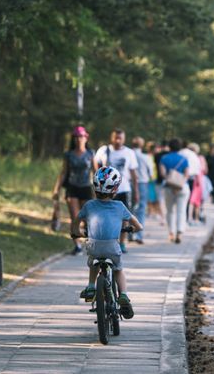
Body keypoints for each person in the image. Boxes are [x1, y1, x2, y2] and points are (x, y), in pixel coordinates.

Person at [72, 166, 143, 319]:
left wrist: (76, 232)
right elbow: (138, 226)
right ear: (115, 189)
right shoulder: (120, 206)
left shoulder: (89, 205)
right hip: (112, 246)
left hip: (94, 246)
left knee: (93, 263)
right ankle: (123, 295)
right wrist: (131, 230)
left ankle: (91, 287)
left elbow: (76, 220)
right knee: (118, 270)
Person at [52, 126, 98, 255]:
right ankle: (77, 245)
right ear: (73, 139)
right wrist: (56, 189)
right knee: (75, 217)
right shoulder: (68, 155)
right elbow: (64, 173)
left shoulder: (90, 154)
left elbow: (96, 172)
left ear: (86, 138)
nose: (79, 139)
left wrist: (99, 189)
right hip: (72, 188)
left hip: (86, 188)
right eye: (76, 137)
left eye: (81, 136)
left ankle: (91, 241)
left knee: (88, 218)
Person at [95, 128, 139, 253]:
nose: (118, 140)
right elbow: (95, 163)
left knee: (124, 218)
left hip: (124, 189)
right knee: (105, 216)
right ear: (112, 138)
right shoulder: (104, 150)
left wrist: (136, 191)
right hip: (106, 190)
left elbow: (134, 173)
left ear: (124, 139)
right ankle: (107, 241)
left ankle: (122, 242)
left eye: (120, 138)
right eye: (116, 137)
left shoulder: (129, 153)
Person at [159, 138, 190, 244]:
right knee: (181, 211)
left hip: (169, 187)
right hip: (182, 188)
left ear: (169, 147)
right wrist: (179, 185)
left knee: (170, 211)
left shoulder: (164, 158)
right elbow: (186, 174)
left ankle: (171, 233)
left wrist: (172, 183)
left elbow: (163, 174)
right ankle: (179, 233)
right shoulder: (184, 159)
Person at [131, 136, 152, 244]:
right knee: (141, 209)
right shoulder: (145, 157)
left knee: (129, 209)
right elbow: (151, 173)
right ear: (142, 145)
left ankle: (129, 234)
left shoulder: (129, 154)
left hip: (130, 183)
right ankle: (139, 235)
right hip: (143, 183)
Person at [180, 141, 201, 220]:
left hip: (180, 177)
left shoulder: (180, 153)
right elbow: (197, 169)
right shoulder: (194, 156)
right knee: (187, 199)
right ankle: (185, 217)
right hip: (191, 178)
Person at [187, 143, 208, 225]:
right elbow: (205, 170)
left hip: (190, 179)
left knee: (190, 201)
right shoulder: (201, 158)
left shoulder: (188, 157)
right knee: (197, 201)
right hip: (198, 181)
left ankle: (189, 218)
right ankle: (196, 219)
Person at [145, 141, 163, 222]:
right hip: (152, 179)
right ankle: (153, 212)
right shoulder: (150, 157)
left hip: (151, 179)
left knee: (152, 197)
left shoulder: (150, 156)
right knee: (153, 197)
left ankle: (153, 212)